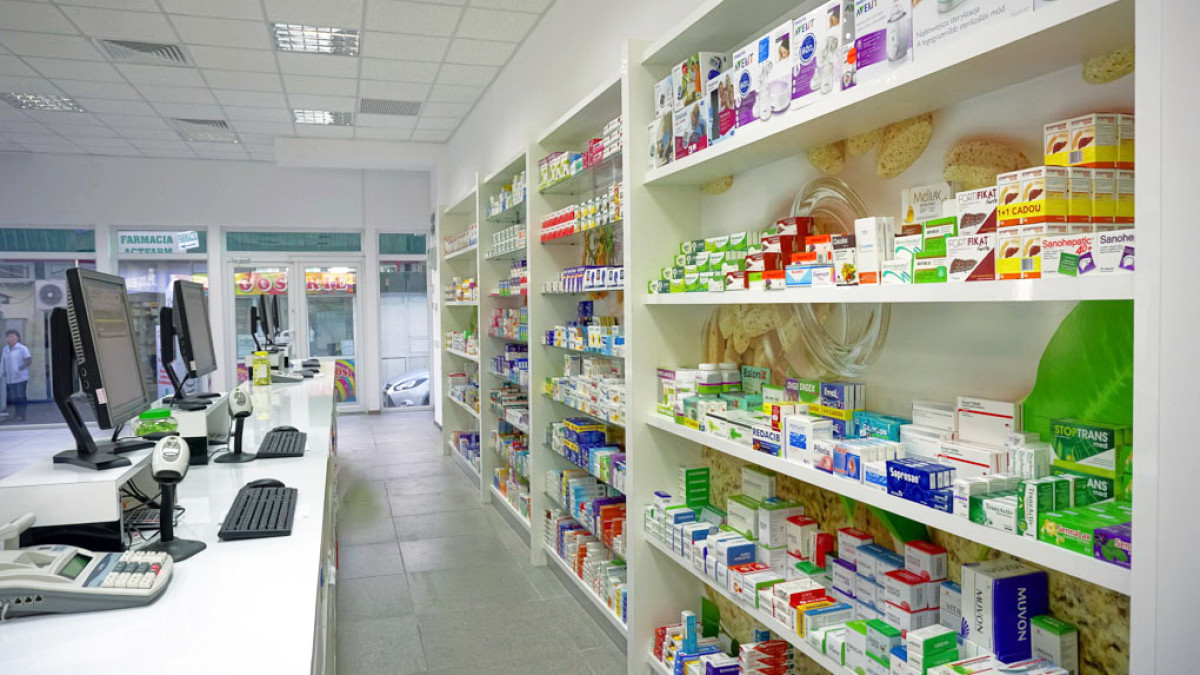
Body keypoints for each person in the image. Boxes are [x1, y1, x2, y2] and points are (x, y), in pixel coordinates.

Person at [3, 329, 31, 422]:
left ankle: (22, 415)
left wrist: (20, 368)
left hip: (20, 377)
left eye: (12, 336)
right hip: (10, 377)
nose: (10, 338)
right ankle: (16, 414)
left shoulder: (22, 348)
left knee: (20, 395)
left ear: (17, 338)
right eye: (8, 337)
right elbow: (3, 361)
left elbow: (28, 360)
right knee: (14, 397)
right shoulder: (5, 349)